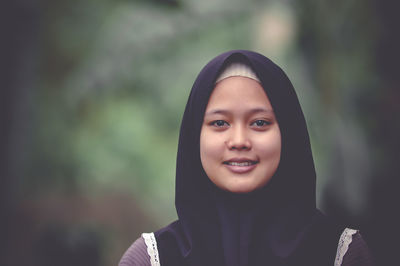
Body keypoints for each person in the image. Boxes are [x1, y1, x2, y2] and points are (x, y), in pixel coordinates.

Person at [119, 50, 373, 266]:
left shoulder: (339, 254)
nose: (239, 140)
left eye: (260, 122)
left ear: (289, 133)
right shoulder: (152, 258)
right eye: (219, 122)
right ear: (193, 135)